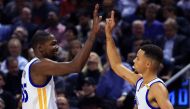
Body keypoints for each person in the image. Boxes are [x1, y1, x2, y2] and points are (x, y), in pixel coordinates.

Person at [21, 4, 102, 109]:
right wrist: (92, 36)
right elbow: (75, 67)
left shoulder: (28, 66)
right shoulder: (41, 65)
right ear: (40, 48)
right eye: (53, 44)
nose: (56, 47)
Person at [104, 11, 173, 109]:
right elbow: (116, 65)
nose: (134, 60)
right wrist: (109, 36)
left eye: (138, 58)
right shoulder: (139, 80)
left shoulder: (157, 87)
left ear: (148, 64)